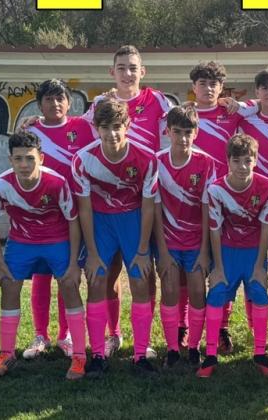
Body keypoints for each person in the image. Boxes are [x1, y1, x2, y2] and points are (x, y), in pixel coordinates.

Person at [190, 61, 268, 354]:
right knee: (236, 266)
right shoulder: (245, 115)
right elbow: (224, 104)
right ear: (257, 92)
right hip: (242, 203)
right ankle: (223, 329)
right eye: (264, 88)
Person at [0, 131, 86, 380]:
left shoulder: (57, 182)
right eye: (18, 159)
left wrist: (74, 263)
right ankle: (7, 354)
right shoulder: (0, 184)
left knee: (69, 285)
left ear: (41, 158)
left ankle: (80, 357)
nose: (24, 164)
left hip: (56, 239)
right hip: (22, 241)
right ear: (10, 160)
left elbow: (74, 220)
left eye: (30, 158)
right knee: (9, 285)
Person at [72, 98, 159, 377]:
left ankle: (140, 355)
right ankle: (98, 355)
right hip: (100, 222)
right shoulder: (82, 159)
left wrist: (143, 249)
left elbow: (148, 206)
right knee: (96, 281)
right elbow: (85, 208)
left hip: (133, 220)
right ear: (96, 128)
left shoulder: (146, 158)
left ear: (127, 126)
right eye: (105, 127)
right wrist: (92, 252)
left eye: (117, 126)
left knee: (140, 282)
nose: (112, 133)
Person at [22, 79, 96, 360]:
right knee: (41, 276)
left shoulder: (84, 126)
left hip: (76, 214)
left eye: (60, 98)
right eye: (48, 99)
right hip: (42, 215)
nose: (55, 104)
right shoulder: (31, 130)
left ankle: (66, 334)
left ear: (69, 102)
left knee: (69, 275)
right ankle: (40, 334)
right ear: (39, 104)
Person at [199, 134, 268, 378]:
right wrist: (217, 267)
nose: (242, 166)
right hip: (226, 252)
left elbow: (266, 227)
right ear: (228, 161)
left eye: (247, 160)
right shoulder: (216, 189)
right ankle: (210, 354)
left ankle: (260, 353)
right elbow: (214, 229)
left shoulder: (267, 187)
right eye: (236, 161)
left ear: (256, 160)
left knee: (260, 294)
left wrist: (260, 266)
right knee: (216, 295)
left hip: (253, 252)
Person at [152, 104, 217, 368]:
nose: (182, 138)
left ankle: (193, 347)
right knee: (169, 290)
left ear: (196, 133)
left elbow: (207, 209)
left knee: (198, 291)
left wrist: (204, 251)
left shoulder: (206, 163)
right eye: (177, 132)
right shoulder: (156, 161)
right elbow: (155, 208)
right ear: (167, 132)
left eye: (188, 132)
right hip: (168, 241)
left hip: (195, 242)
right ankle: (171, 349)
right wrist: (162, 251)